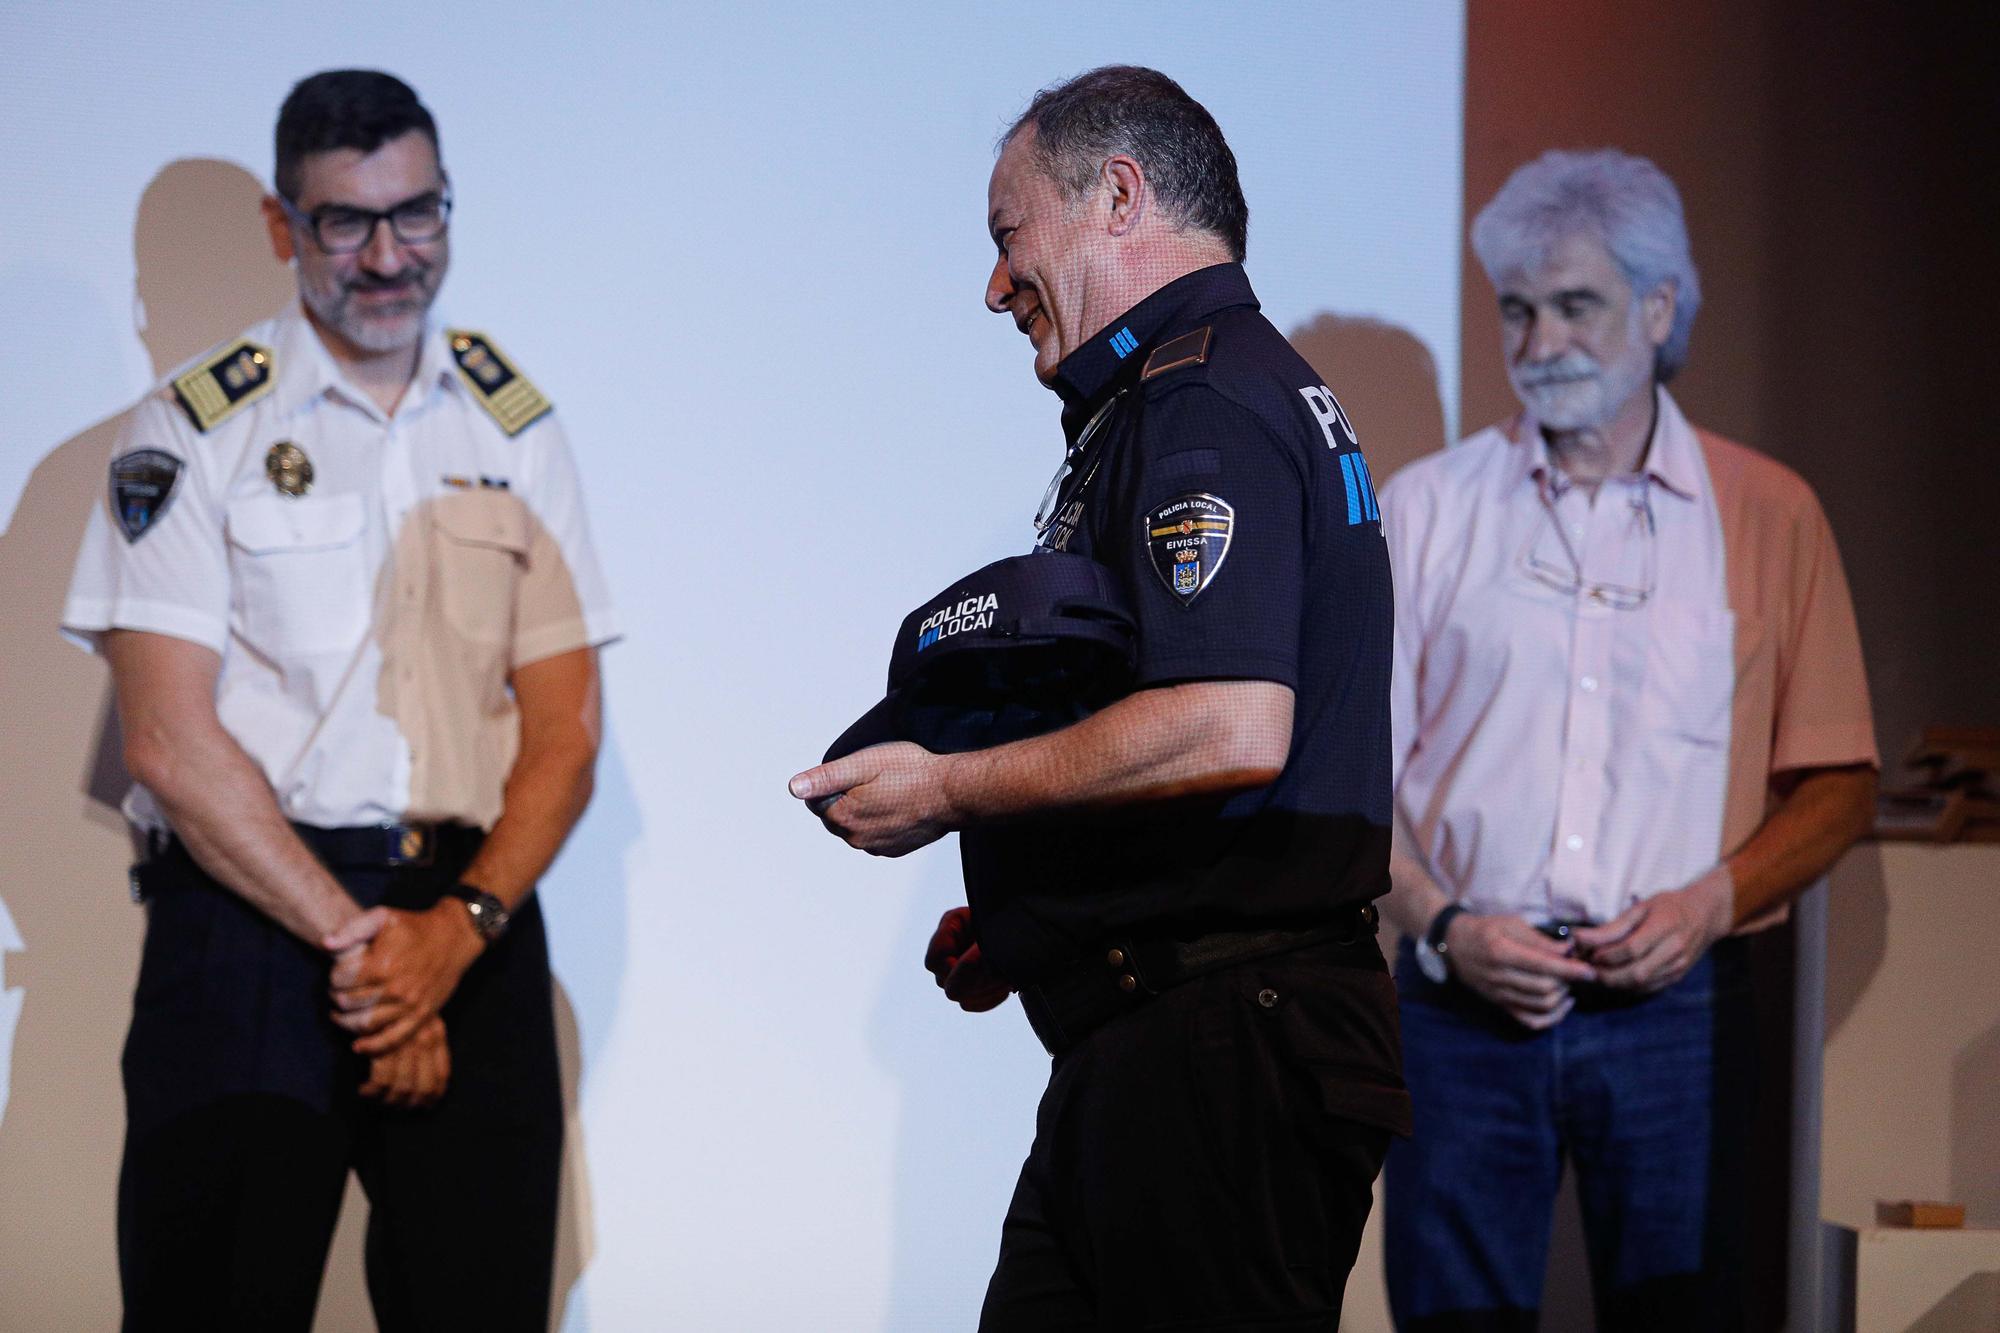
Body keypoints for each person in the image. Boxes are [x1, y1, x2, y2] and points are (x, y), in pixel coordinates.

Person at [789, 65, 1408, 1330]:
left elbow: (1227, 719)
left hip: (1218, 1055)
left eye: (1007, 235)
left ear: (1116, 197)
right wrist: (1042, 914)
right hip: (1174, 1039)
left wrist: (949, 788)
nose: (993, 284)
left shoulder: (1201, 404)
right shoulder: (1202, 387)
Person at [61, 69, 615, 1330]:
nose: (388, 256)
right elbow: (166, 738)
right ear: (281, 226)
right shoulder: (194, 428)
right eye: (345, 222)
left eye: (417, 214)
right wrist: (371, 956)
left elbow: (566, 729)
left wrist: (448, 936)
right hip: (252, 930)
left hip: (472, 923)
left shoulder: (512, 423)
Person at [1376, 149, 1878, 1330]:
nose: (1539, 338)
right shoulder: (1428, 509)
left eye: (1574, 304)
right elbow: (1354, 788)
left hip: (1677, 1014)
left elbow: (1837, 781)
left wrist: (1708, 902)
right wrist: (1445, 925)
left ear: (1657, 310)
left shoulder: (1764, 510)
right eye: (1515, 308)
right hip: (1458, 1009)